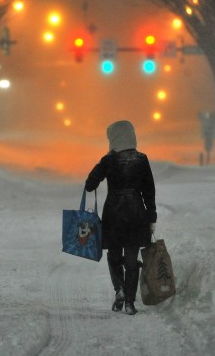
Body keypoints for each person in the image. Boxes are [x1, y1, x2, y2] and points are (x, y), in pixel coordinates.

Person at [84, 120, 157, 315]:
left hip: (114, 215)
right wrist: (152, 217)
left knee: (114, 255)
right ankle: (130, 303)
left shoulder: (109, 160)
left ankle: (120, 290)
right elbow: (149, 191)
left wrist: (104, 163)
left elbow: (90, 184)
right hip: (136, 214)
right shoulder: (142, 159)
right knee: (132, 259)